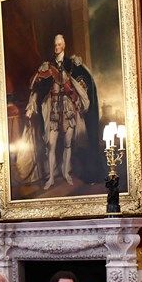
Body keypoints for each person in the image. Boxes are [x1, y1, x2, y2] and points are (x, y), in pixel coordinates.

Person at [26, 34, 99, 189]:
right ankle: (51, 177)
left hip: (67, 107)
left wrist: (80, 66)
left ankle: (66, 173)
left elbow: (83, 80)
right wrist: (32, 103)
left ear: (63, 46)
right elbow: (37, 86)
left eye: (59, 44)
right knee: (51, 145)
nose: (56, 47)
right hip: (53, 107)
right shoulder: (48, 65)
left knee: (67, 144)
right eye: (55, 45)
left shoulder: (71, 63)